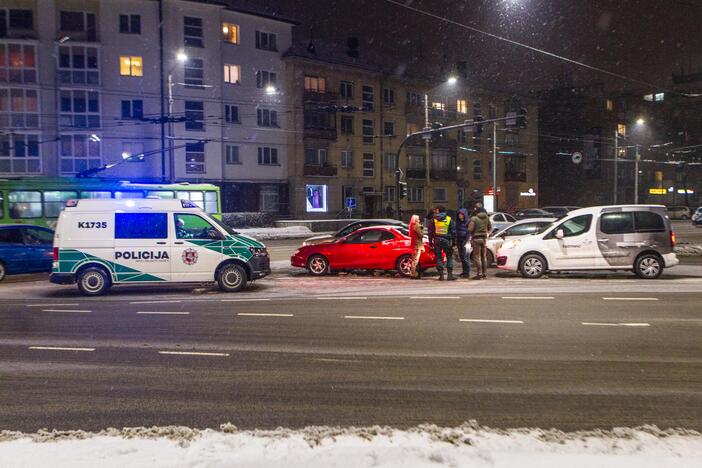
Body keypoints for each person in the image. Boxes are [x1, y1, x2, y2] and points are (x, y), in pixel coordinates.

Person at [429, 206, 456, 281]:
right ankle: (450, 275)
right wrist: (453, 242)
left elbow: (430, 232)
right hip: (446, 240)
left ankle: (441, 275)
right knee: (449, 256)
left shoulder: (434, 220)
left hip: (437, 240)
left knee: (438, 257)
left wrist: (431, 242)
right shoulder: (449, 219)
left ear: (438, 211)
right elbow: (453, 232)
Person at [468, 208, 491, 280]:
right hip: (484, 239)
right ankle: (485, 274)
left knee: (477, 257)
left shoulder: (474, 218)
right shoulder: (487, 218)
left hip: (476, 239)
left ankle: (479, 274)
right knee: (484, 257)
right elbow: (490, 228)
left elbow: (470, 229)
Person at [455, 208, 471, 278]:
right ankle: (464, 271)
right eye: (459, 214)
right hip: (459, 240)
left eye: (461, 214)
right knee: (462, 257)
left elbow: (469, 232)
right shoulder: (458, 222)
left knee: (465, 257)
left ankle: (467, 273)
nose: (460, 215)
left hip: (465, 241)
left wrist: (467, 241)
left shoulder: (468, 222)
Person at [408, 214, 424, 279]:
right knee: (415, 260)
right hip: (417, 244)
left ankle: (413, 273)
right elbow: (421, 235)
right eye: (418, 219)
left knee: (414, 259)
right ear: (416, 220)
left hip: (414, 243)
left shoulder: (412, 226)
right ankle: (413, 273)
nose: (419, 220)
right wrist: (421, 229)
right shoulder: (417, 226)